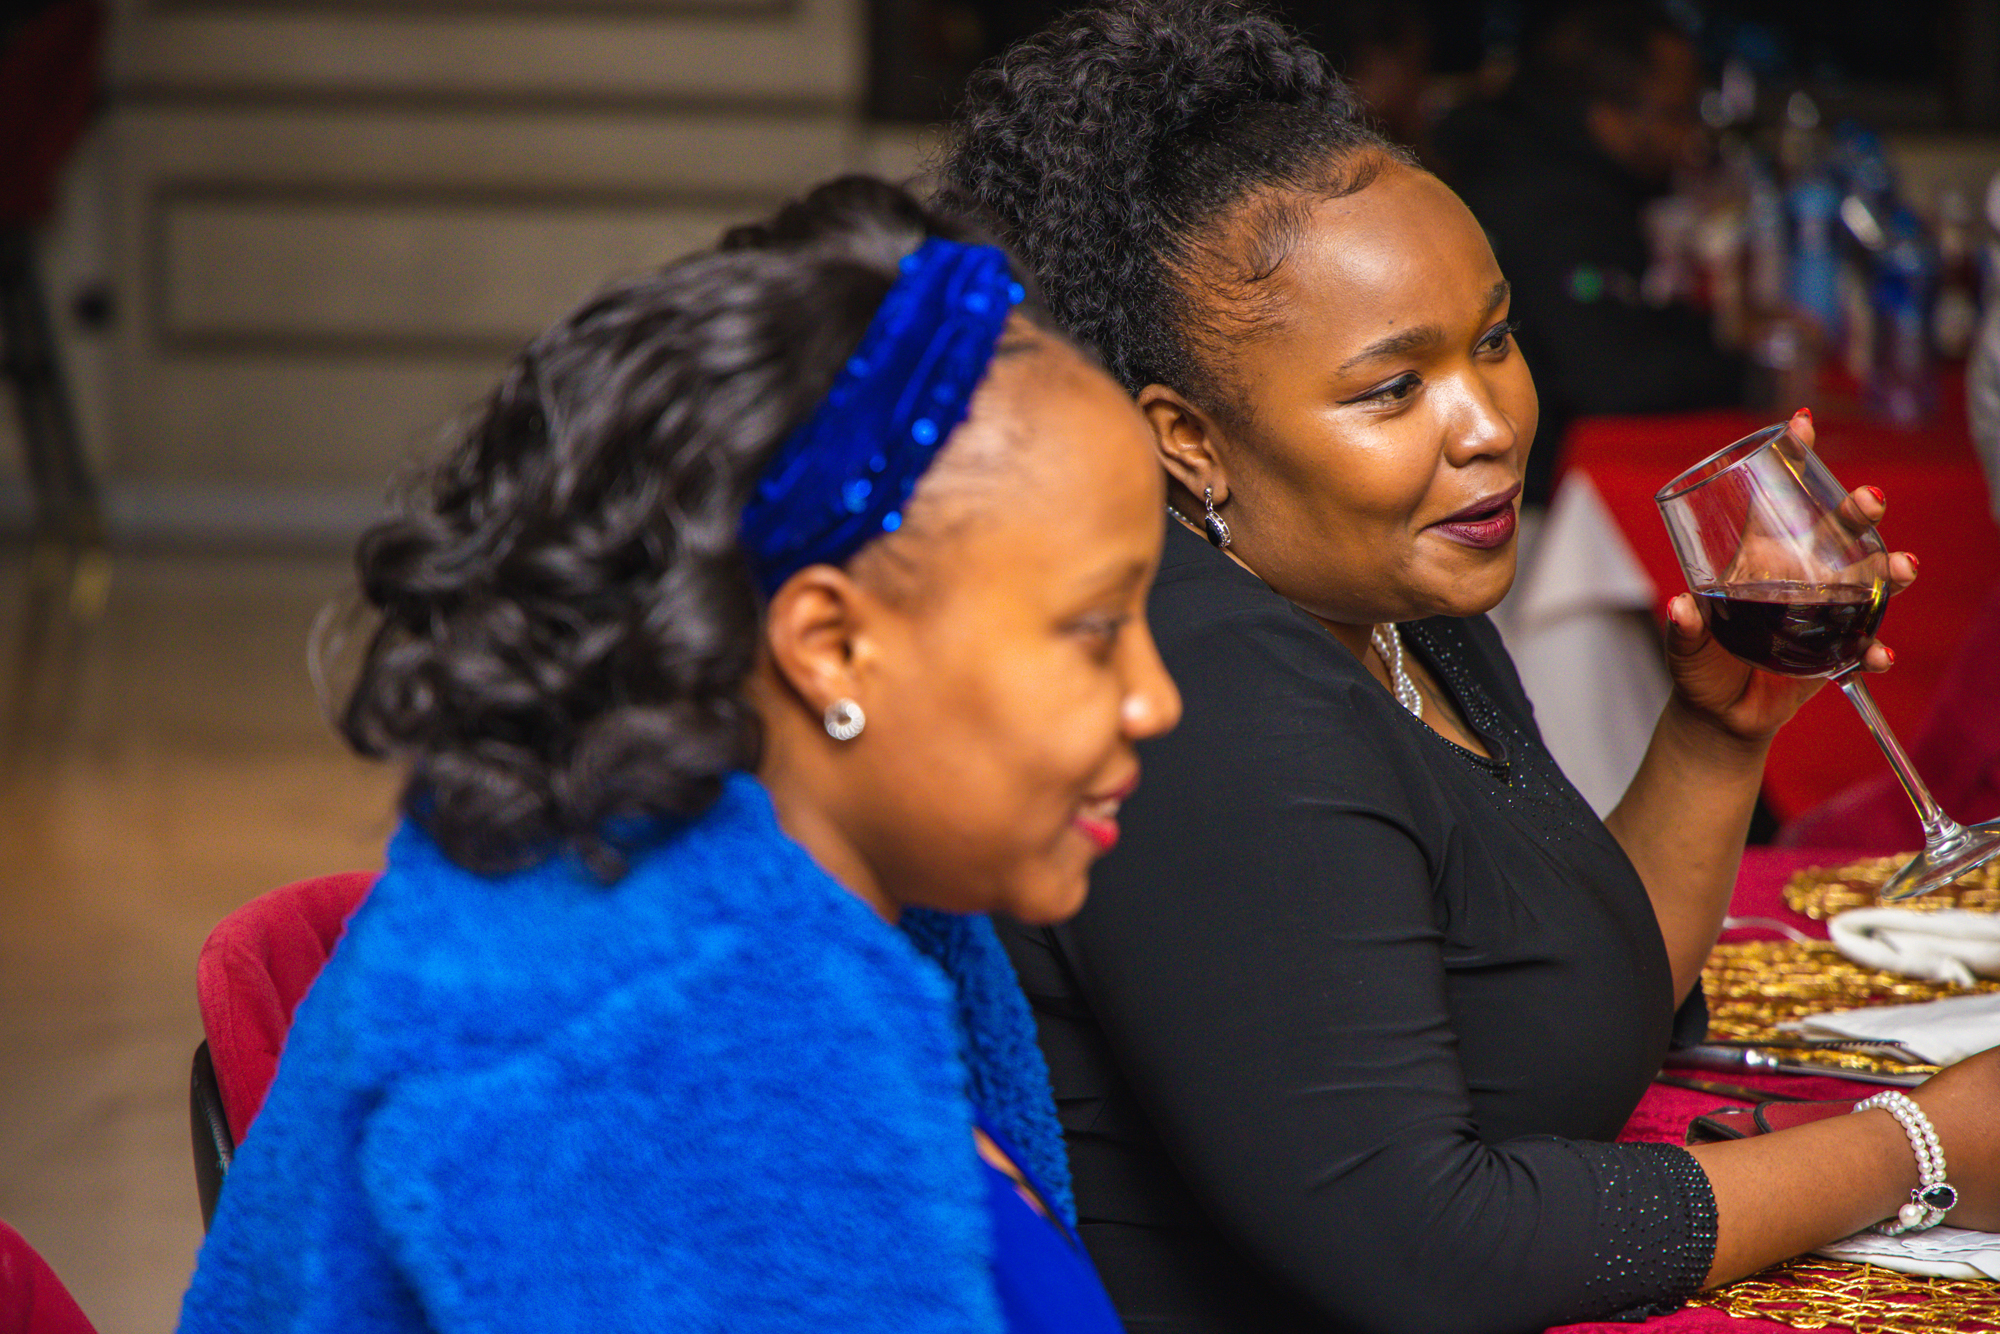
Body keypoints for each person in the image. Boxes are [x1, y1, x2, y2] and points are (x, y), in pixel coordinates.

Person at [936, 4, 2000, 1331]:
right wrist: (1918, 1144)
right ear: (1188, 440)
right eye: (1392, 390)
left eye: (1491, 340)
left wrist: (1718, 733)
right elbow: (1430, 1247)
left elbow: (1561, 1000)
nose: (1487, 423)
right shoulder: (1213, 695)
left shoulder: (1393, 602)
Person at [176, 176, 1181, 1333]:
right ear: (831, 646)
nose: (1154, 698)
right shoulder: (663, 1059)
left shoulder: (846, 926)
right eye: (1094, 628)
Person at [1433, 0, 1746, 504]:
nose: (1691, 136)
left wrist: (1710, 335)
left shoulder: (1527, 162)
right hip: (1515, 503)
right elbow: (1611, 378)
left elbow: (1614, 323)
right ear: (1606, 117)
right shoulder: (1554, 207)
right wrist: (1748, 372)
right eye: (1675, 112)